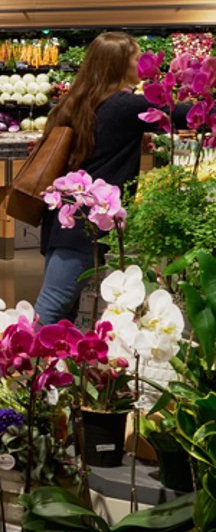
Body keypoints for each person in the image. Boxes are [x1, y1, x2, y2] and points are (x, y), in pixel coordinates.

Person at [31, 31, 185, 324]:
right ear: (119, 64)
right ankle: (23, 365)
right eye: (137, 58)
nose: (142, 64)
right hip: (83, 226)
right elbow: (186, 115)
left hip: (64, 217)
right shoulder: (125, 106)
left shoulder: (76, 102)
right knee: (52, 305)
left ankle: (53, 366)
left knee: (65, 311)